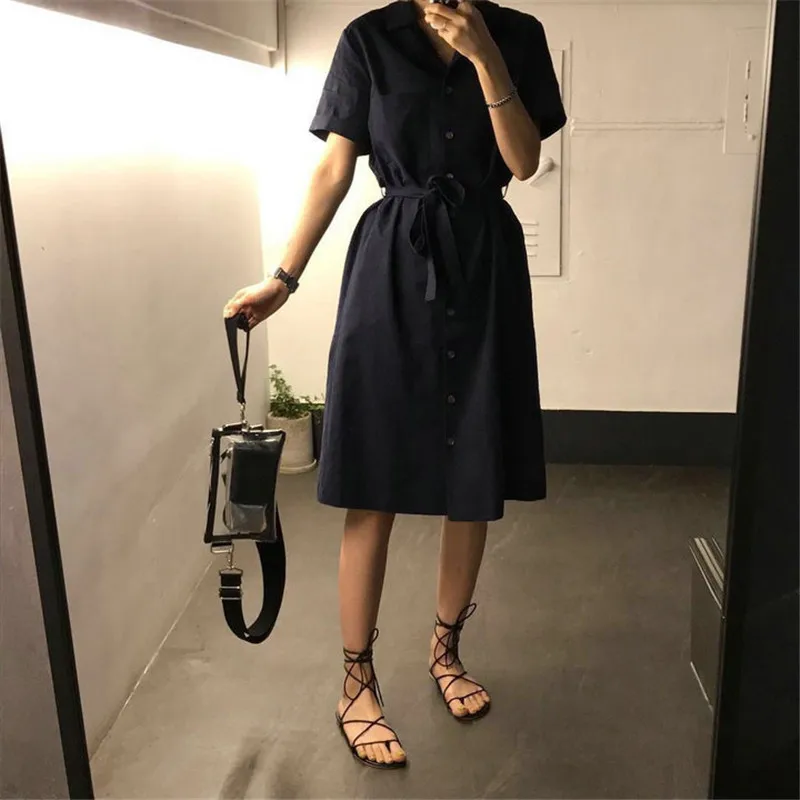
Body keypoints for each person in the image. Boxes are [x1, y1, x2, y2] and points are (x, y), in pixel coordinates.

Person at [224, 0, 566, 770]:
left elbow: (522, 162)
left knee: (473, 467)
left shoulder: (518, 37)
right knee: (373, 473)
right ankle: (356, 682)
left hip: (483, 264)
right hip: (392, 266)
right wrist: (283, 279)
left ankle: (446, 651)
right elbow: (334, 167)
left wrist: (485, 56)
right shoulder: (368, 40)